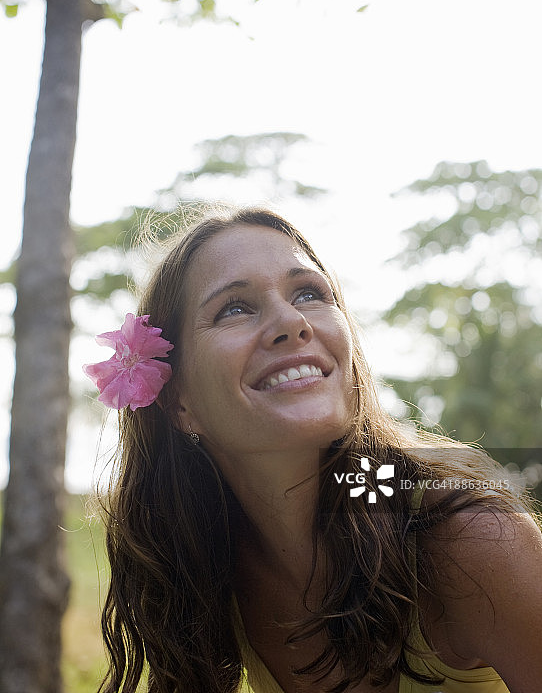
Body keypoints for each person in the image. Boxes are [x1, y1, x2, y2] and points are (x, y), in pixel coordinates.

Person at [86, 205, 542, 693]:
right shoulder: (207, 575)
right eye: (234, 308)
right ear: (179, 401)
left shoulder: (466, 540)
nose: (292, 321)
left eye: (308, 293)